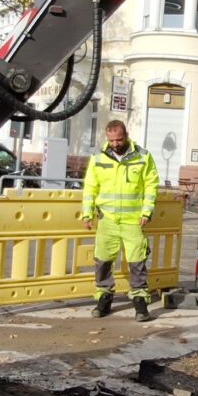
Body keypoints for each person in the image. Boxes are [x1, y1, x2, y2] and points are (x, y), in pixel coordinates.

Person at [81, 118, 159, 320]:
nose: (115, 144)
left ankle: (140, 303)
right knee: (103, 262)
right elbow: (90, 187)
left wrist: (146, 212)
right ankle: (104, 299)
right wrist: (87, 213)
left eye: (119, 139)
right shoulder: (98, 158)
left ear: (126, 136)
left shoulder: (143, 157)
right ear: (107, 138)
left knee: (137, 262)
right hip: (107, 220)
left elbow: (151, 185)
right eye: (111, 140)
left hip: (133, 221)